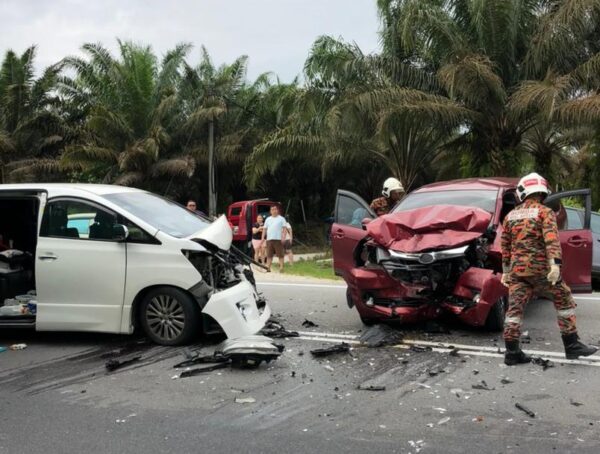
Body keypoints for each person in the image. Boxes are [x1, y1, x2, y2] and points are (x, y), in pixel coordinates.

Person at [500, 172, 597, 365]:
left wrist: (506, 271)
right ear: (542, 192)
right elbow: (551, 240)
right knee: (564, 298)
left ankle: (512, 352)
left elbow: (506, 246)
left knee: (514, 309)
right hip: (540, 270)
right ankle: (572, 345)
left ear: (523, 191)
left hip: (518, 272)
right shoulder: (545, 212)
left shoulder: (510, 216)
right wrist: (555, 265)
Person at [262, 205, 286, 272]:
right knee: (269, 255)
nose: (274, 211)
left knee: (280, 254)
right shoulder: (268, 219)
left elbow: (284, 228)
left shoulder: (281, 218)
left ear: (277, 210)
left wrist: (283, 237)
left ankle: (281, 268)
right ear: (270, 211)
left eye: (275, 209)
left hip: (278, 239)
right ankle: (268, 268)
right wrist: (263, 238)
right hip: (269, 239)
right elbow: (264, 229)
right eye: (272, 209)